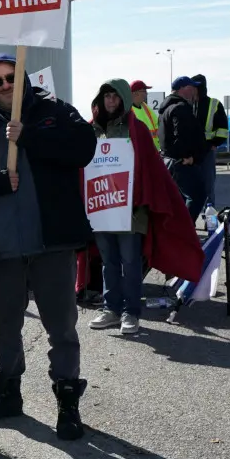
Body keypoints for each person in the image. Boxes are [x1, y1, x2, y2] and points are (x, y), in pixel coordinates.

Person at [0, 53, 96, 441]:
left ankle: (67, 402)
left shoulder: (54, 110)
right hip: (4, 249)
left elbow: (82, 148)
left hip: (52, 244)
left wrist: (28, 135)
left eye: (11, 77)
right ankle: (7, 395)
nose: (5, 85)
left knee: (61, 329)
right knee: (5, 327)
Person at [84, 80, 204, 335]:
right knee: (108, 262)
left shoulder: (135, 129)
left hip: (131, 208)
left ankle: (131, 313)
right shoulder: (91, 130)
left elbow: (150, 169)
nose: (111, 101)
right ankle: (111, 309)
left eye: (116, 97)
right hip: (102, 209)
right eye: (106, 96)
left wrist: (139, 200)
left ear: (124, 99)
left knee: (130, 262)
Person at [159, 76, 208, 222]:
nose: (194, 91)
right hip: (183, 163)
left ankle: (179, 233)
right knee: (197, 196)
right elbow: (182, 136)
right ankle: (185, 230)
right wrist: (188, 157)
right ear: (183, 89)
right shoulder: (180, 108)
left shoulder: (165, 108)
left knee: (179, 200)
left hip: (171, 162)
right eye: (192, 88)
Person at [192, 74, 230, 209]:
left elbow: (223, 129)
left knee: (208, 186)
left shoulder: (214, 104)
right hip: (190, 152)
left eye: (196, 87)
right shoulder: (187, 103)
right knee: (190, 187)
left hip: (207, 151)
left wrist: (215, 143)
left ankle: (209, 218)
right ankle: (191, 218)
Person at [129, 80, 160, 151]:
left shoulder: (145, 107)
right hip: (137, 152)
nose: (147, 94)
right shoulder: (127, 110)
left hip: (153, 151)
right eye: (144, 91)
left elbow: (157, 124)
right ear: (135, 93)